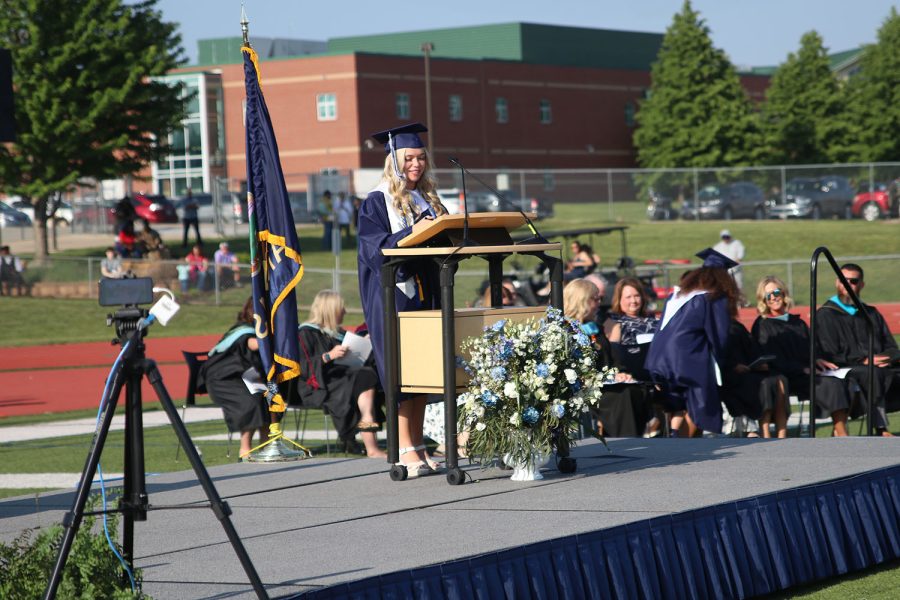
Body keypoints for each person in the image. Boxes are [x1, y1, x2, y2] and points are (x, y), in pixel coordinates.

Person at [357, 122, 447, 477]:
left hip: (426, 293)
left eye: (421, 158)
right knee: (402, 372)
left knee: (423, 373)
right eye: (409, 158)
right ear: (393, 160)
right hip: (394, 298)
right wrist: (416, 229)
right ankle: (403, 447)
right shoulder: (377, 201)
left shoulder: (426, 198)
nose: (417, 164)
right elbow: (376, 250)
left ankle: (419, 445)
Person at [646, 248, 738, 437]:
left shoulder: (678, 295)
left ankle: (674, 438)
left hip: (658, 360)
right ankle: (681, 445)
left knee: (681, 404)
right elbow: (719, 336)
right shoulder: (712, 297)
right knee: (701, 404)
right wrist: (724, 365)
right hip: (686, 360)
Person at [751, 276, 851, 437]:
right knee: (826, 385)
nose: (774, 297)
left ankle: (839, 430)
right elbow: (771, 359)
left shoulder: (798, 323)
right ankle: (841, 433)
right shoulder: (763, 324)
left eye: (777, 292)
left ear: (784, 294)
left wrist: (817, 359)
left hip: (805, 374)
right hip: (783, 375)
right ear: (763, 299)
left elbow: (810, 348)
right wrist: (803, 369)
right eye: (768, 294)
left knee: (838, 381)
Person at [296, 290, 386, 458]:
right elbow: (300, 366)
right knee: (364, 378)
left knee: (367, 376)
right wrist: (328, 356)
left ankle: (366, 433)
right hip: (317, 385)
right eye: (341, 308)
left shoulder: (339, 334)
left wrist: (364, 344)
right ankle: (370, 443)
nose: (344, 312)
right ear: (330, 310)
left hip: (344, 380)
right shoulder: (306, 333)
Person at [815, 264, 897, 437]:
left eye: (853, 281)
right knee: (872, 374)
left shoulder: (871, 313)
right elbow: (829, 352)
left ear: (861, 285)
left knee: (882, 372)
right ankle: (880, 428)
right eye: (844, 281)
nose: (848, 285)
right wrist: (864, 360)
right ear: (837, 283)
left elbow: (891, 346)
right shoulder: (826, 314)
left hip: (876, 366)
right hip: (843, 368)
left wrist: (884, 358)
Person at [565, 278, 650, 437]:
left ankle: (633, 438)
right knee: (623, 396)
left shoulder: (595, 328)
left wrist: (620, 372)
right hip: (584, 388)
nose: (599, 303)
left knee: (634, 389)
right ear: (581, 300)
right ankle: (625, 440)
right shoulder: (565, 330)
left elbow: (611, 357)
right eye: (595, 299)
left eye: (600, 298)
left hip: (605, 383)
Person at [198, 298, 270, 458]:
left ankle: (266, 448)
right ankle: (245, 451)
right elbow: (253, 344)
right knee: (250, 402)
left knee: (268, 399)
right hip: (222, 379)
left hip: (244, 376)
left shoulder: (249, 329)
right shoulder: (243, 331)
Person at [602, 277, 661, 436]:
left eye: (636, 296)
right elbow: (612, 351)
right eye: (628, 297)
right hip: (630, 372)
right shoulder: (613, 320)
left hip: (656, 370)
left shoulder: (653, 319)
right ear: (619, 300)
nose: (633, 301)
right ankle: (652, 423)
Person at [712, 229, 745, 297]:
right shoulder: (718, 246)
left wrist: (738, 259)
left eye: (727, 237)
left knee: (738, 286)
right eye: (724, 237)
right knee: (724, 286)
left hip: (736, 270)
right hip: (724, 271)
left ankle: (741, 302)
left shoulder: (737, 243)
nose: (726, 239)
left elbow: (740, 255)